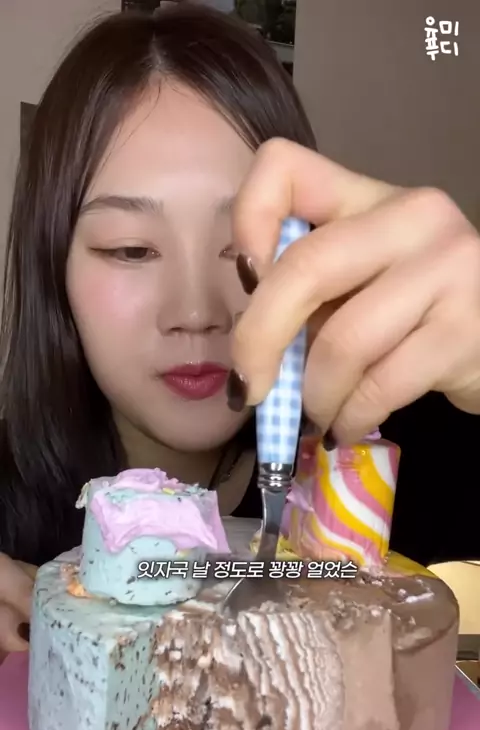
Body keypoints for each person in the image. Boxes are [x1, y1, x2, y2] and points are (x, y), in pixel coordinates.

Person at [1, 3, 479, 657]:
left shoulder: (388, 457)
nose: (197, 312)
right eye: (131, 249)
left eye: (240, 249)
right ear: (53, 268)